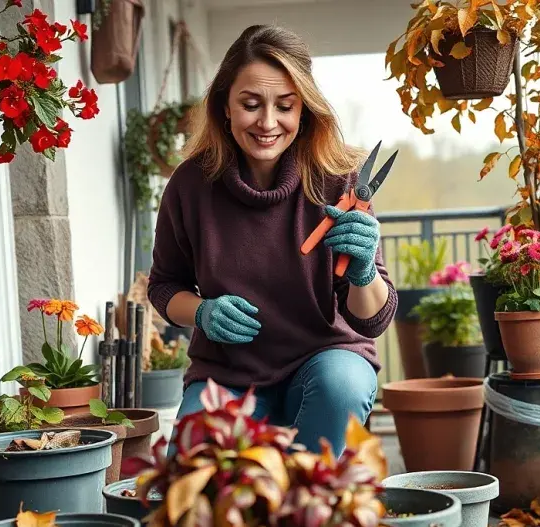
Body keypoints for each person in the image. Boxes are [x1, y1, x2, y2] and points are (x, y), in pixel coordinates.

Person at [147, 24, 398, 454]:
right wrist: (203, 311)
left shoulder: (340, 183)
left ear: (303, 111)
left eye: (285, 106)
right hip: (226, 376)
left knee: (341, 386)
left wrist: (361, 273)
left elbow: (371, 321)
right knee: (193, 472)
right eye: (250, 104)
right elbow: (164, 285)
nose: (267, 123)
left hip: (326, 366)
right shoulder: (190, 186)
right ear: (225, 105)